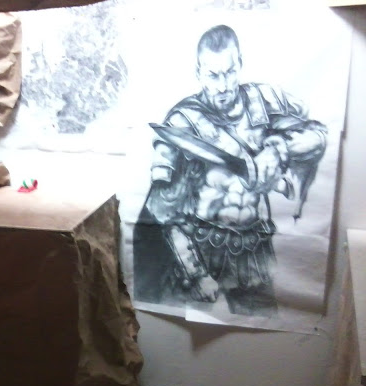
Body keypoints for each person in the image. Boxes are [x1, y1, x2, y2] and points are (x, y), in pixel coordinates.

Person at [134, 24, 327, 316]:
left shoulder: (264, 101)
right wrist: (194, 271)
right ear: (199, 73)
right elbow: (164, 212)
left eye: (230, 72)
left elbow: (318, 134)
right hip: (199, 247)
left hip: (252, 248)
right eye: (213, 75)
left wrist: (279, 148)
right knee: (188, 331)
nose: (223, 86)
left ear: (240, 65)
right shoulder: (183, 122)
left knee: (262, 329)